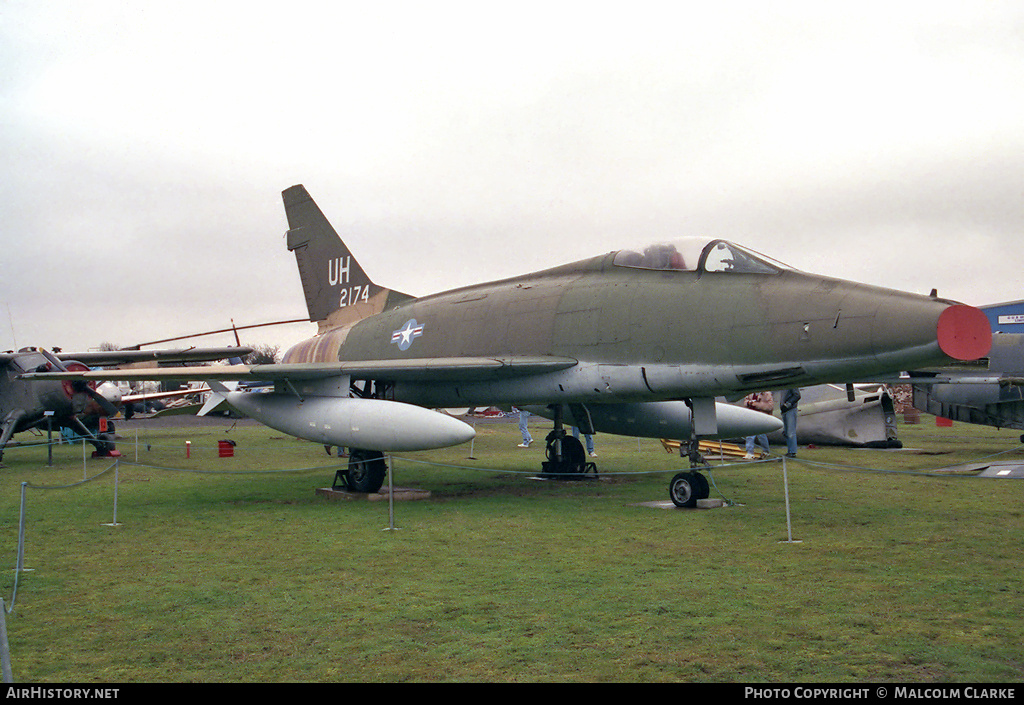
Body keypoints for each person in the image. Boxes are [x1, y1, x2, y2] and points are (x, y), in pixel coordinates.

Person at [743, 391, 774, 459]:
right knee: (750, 433)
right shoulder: (750, 392)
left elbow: (769, 406)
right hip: (751, 415)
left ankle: (766, 451)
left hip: (761, 416)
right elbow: (745, 402)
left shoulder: (767, 394)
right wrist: (749, 403)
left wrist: (756, 404)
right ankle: (750, 452)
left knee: (761, 434)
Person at [780, 388, 801, 458]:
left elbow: (797, 395)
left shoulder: (792, 384)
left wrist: (788, 404)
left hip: (790, 409)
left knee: (790, 432)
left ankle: (792, 452)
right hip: (784, 410)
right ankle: (790, 451)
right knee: (786, 432)